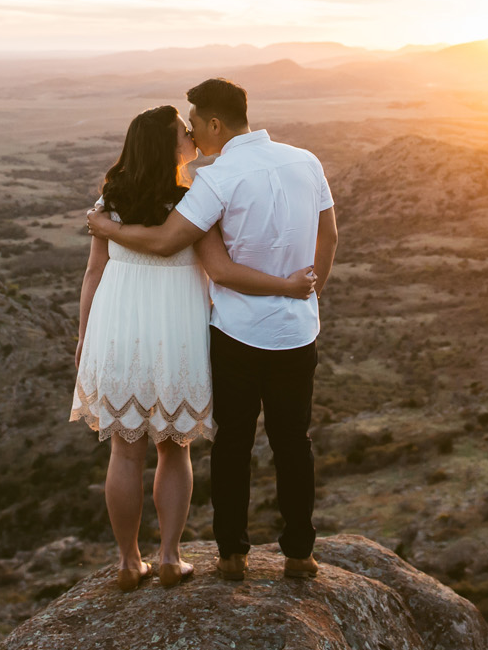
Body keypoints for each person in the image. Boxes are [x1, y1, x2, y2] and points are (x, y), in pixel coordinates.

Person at [87, 78, 339, 582]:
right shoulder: (306, 161)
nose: (194, 134)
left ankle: (225, 555)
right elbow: (328, 234)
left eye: (195, 123)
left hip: (223, 334)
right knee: (293, 443)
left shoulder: (209, 182)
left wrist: (108, 228)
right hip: (288, 333)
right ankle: (295, 553)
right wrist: (308, 291)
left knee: (227, 446)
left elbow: (166, 249)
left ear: (215, 122)